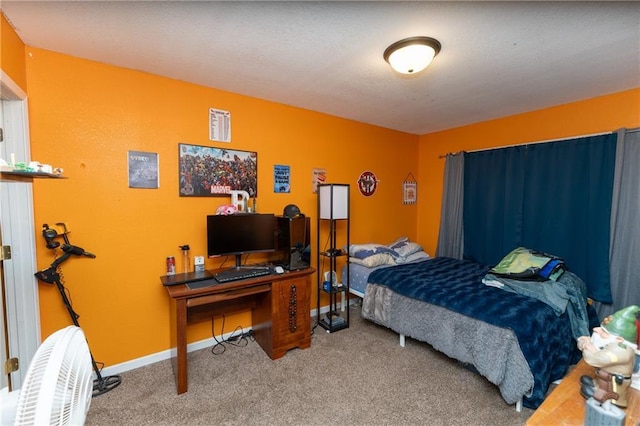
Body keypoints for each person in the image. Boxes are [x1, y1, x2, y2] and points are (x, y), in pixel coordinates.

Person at [577, 305, 639, 408]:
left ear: (619, 339)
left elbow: (594, 359)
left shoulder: (621, 351)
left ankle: (608, 399)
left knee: (611, 389)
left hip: (615, 382)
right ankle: (596, 385)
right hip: (605, 375)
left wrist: (586, 346)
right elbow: (598, 352)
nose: (596, 330)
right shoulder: (610, 344)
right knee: (602, 379)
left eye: (604, 332)